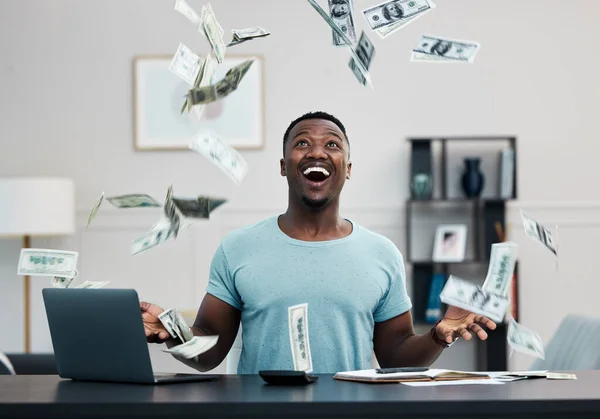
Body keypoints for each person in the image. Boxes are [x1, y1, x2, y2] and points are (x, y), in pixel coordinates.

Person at [141, 111, 497, 374]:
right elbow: (209, 351)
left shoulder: (381, 253)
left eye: (331, 144)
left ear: (347, 167)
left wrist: (438, 335)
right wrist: (172, 332)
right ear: (284, 166)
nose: (316, 152)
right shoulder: (237, 248)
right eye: (302, 143)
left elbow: (395, 357)